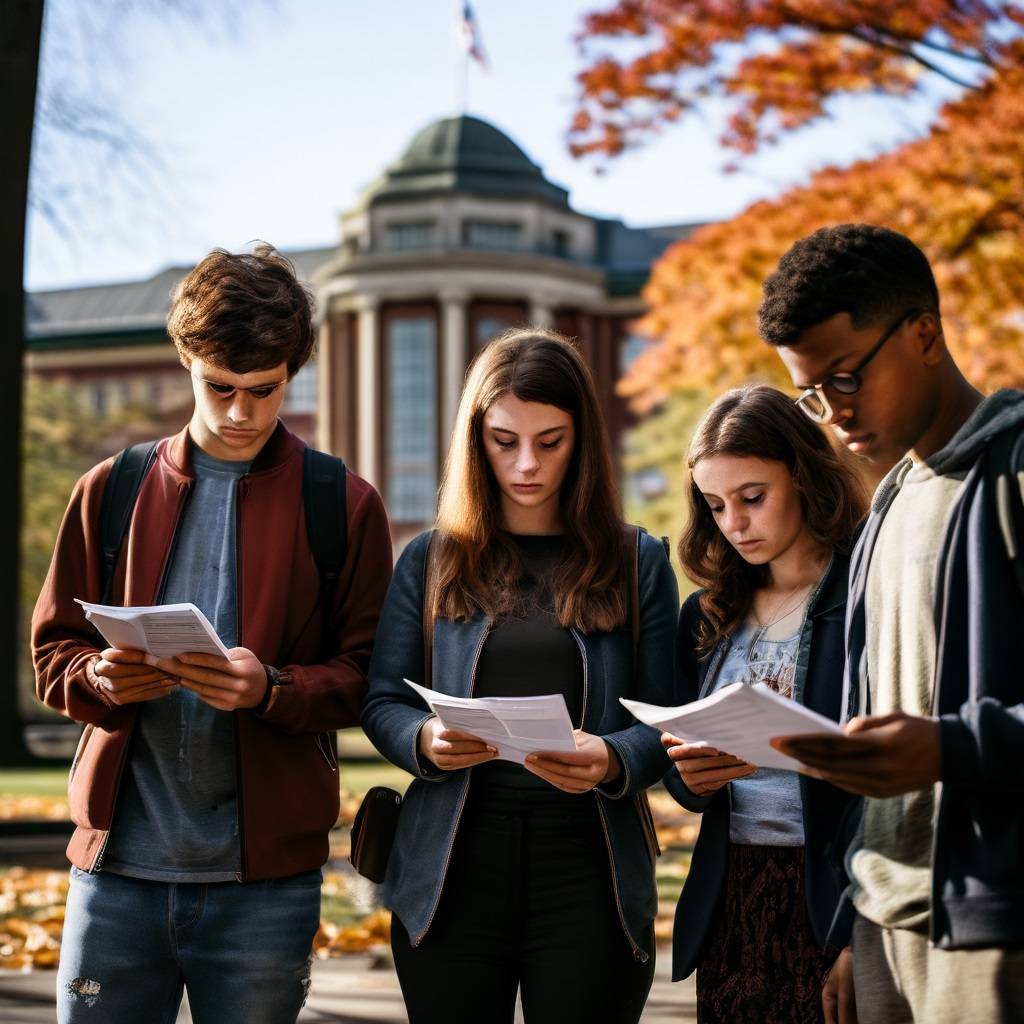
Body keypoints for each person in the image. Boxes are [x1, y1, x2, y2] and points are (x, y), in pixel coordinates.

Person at [32, 245, 392, 1024]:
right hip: (117, 870)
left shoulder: (343, 504)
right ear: (185, 360)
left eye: (263, 392)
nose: (240, 413)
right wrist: (99, 678)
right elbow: (52, 652)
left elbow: (370, 677)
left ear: (293, 371)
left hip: (265, 884)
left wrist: (272, 688)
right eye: (219, 388)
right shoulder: (112, 489)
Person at [361, 329, 678, 1024]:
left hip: (590, 872)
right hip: (451, 869)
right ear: (476, 440)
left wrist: (613, 757)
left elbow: (668, 721)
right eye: (505, 442)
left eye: (551, 441)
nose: (527, 464)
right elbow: (382, 699)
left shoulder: (637, 561)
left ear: (583, 440)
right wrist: (424, 740)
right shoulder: (430, 559)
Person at [760, 223, 1024, 1024]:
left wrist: (952, 748)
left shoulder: (1013, 472)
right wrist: (847, 925)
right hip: (881, 923)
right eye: (812, 394)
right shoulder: (889, 503)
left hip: (992, 929)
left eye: (845, 379)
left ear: (924, 335)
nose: (833, 415)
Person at [663, 385, 865, 1023]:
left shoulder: (866, 594)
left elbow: (892, 786)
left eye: (752, 498)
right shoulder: (705, 613)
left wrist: (862, 929)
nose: (734, 524)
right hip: (731, 898)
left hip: (833, 895)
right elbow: (677, 759)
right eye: (715, 505)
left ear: (803, 476)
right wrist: (687, 777)